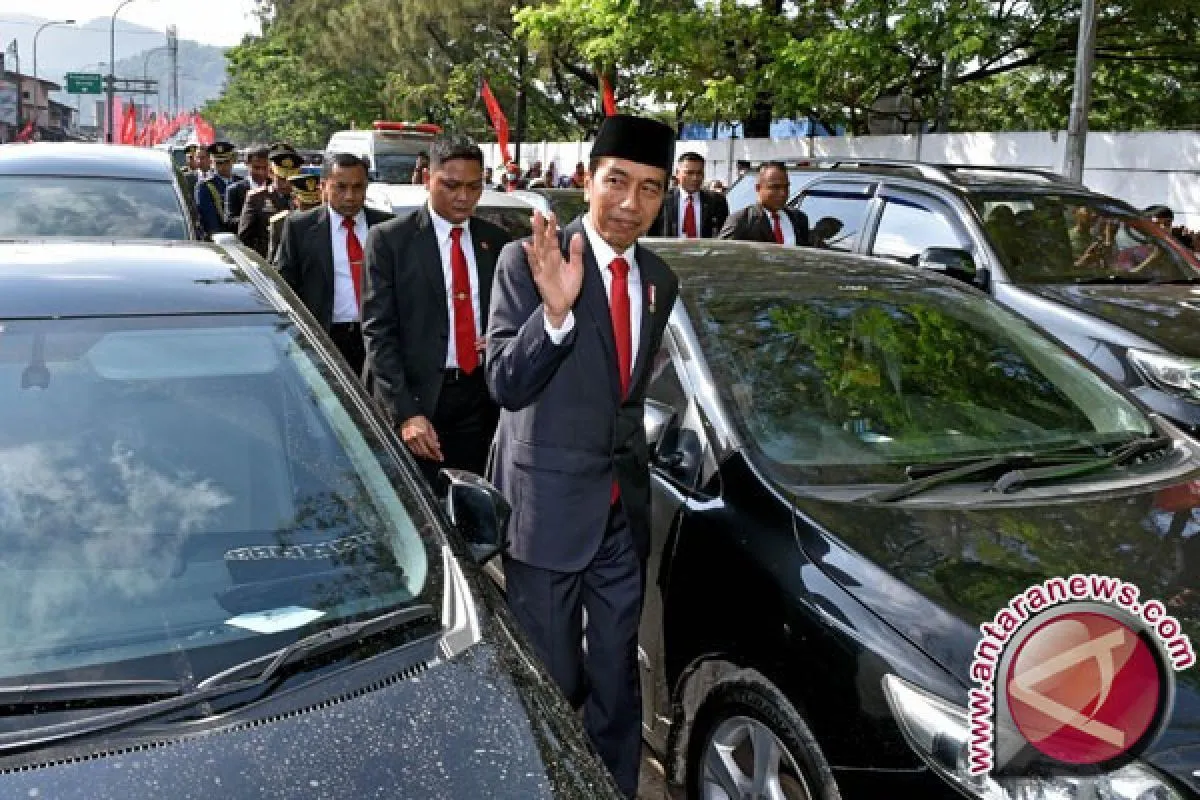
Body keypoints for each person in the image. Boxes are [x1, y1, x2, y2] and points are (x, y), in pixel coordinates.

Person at [486, 114, 679, 799]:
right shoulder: (528, 260)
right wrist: (556, 316)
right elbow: (505, 383)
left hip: (620, 511)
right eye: (617, 182)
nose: (631, 203)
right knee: (552, 677)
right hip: (545, 510)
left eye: (650, 188)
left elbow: (626, 395)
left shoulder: (659, 278)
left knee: (617, 679)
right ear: (587, 180)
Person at [363, 135, 511, 484]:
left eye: (474, 187)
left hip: (479, 400)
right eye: (451, 185)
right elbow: (378, 333)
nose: (463, 197)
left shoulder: (496, 241)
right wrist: (405, 413)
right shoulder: (390, 241)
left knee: (475, 500)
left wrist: (500, 339)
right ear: (427, 178)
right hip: (418, 401)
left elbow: (512, 315)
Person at [274, 153, 392, 376]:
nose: (350, 196)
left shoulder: (386, 227)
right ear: (323, 186)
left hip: (377, 339)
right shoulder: (300, 228)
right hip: (326, 337)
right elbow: (286, 287)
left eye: (358, 187)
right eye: (341, 187)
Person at [718, 161, 809, 245]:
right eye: (775, 187)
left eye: (786, 187)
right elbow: (723, 253)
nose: (783, 193)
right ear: (758, 188)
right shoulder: (741, 221)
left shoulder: (798, 219)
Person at [238, 148, 300, 258]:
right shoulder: (257, 198)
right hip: (266, 259)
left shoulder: (303, 198)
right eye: (281, 178)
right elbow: (244, 237)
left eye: (291, 179)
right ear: (271, 173)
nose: (286, 183)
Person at [652, 151, 728, 238]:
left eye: (699, 173)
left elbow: (723, 235)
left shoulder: (717, 201)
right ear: (677, 173)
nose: (695, 178)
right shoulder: (662, 200)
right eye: (689, 173)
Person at [268, 173, 322, 263]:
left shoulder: (329, 221)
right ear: (294, 199)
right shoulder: (281, 222)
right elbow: (275, 262)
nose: (311, 210)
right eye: (305, 205)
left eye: (315, 205)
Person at [195, 141, 236, 237]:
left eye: (226, 161)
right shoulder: (205, 186)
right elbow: (211, 222)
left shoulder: (240, 182)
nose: (223, 166)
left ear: (232, 161)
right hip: (221, 238)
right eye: (219, 163)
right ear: (212, 162)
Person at [226, 145, 271, 229]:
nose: (261, 172)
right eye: (256, 168)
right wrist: (254, 217)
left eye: (265, 168)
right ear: (247, 164)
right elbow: (230, 221)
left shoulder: (275, 187)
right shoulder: (234, 190)